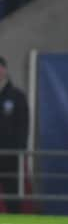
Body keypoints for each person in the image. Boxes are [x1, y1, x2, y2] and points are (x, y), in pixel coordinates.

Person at [0, 57, 29, 213]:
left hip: (10, 155)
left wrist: (20, 150)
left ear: (5, 70)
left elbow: (23, 125)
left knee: (12, 193)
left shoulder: (17, 96)